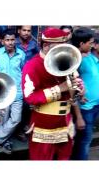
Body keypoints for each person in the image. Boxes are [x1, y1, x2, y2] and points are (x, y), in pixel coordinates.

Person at [22, 27, 85, 160]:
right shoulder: (32, 65)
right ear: (45, 46)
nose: (64, 51)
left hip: (66, 125)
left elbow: (73, 92)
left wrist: (79, 89)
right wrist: (59, 89)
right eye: (59, 47)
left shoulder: (68, 61)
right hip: (44, 127)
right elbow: (30, 97)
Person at [0, 29, 25, 154]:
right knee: (3, 119)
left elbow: (22, 72)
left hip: (17, 92)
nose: (10, 42)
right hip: (3, 93)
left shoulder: (21, 55)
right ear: (2, 41)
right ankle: (5, 141)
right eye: (7, 40)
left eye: (12, 40)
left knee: (16, 119)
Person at [71, 27, 98, 160]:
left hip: (93, 107)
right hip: (84, 110)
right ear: (81, 44)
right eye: (90, 43)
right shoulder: (76, 61)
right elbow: (73, 90)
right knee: (84, 142)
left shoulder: (90, 58)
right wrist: (79, 116)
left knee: (83, 141)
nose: (92, 45)